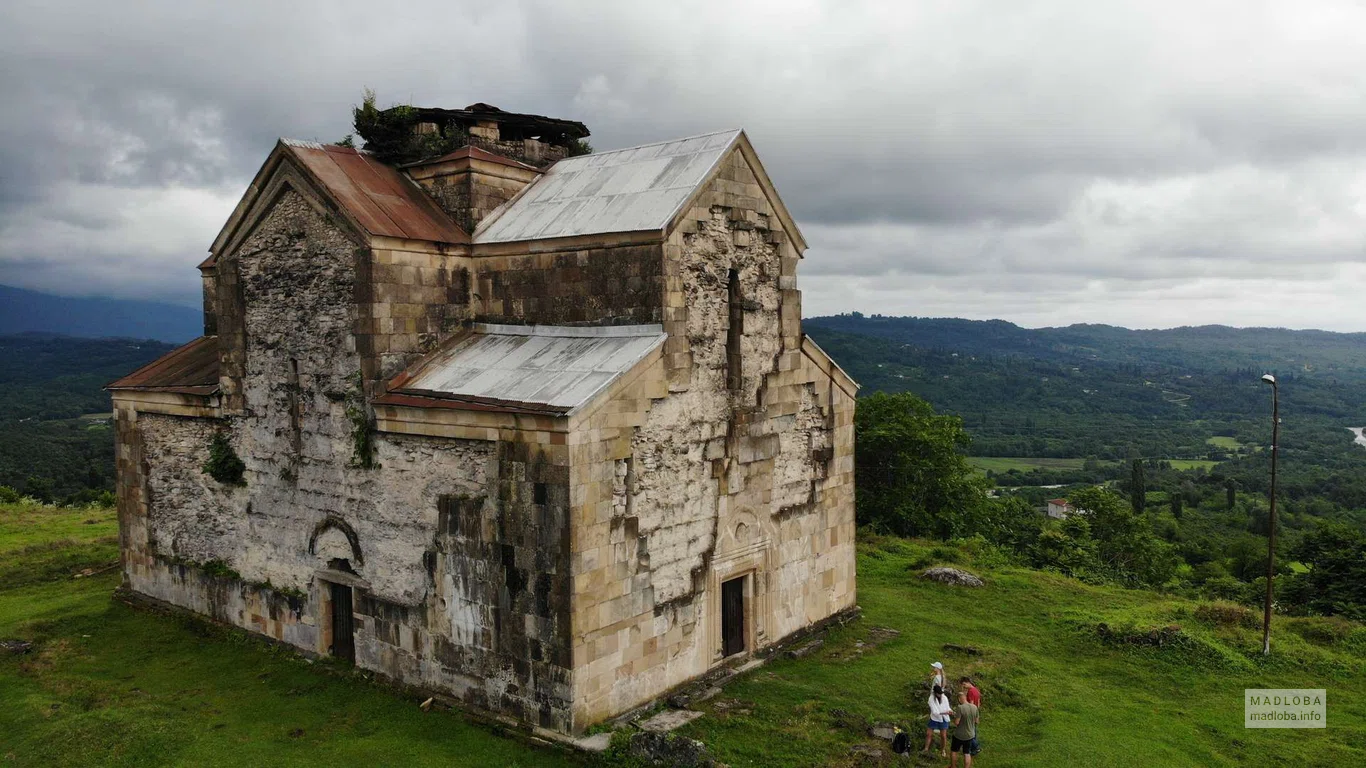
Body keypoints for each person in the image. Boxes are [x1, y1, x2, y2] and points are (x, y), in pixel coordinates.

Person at [949, 688, 981, 768]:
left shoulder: (960, 707)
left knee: (954, 751)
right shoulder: (974, 707)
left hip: (959, 735)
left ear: (959, 699)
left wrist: (954, 717)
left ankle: (953, 766)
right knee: (967, 752)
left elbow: (956, 722)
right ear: (966, 697)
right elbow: (977, 721)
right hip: (970, 735)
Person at [923, 684, 952, 757]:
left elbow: (947, 707)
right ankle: (926, 749)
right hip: (934, 718)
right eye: (939, 694)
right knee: (929, 734)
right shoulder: (931, 699)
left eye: (941, 693)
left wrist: (950, 711)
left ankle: (943, 750)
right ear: (935, 693)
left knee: (943, 736)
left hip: (944, 718)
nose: (940, 695)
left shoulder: (944, 697)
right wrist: (944, 712)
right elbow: (934, 712)